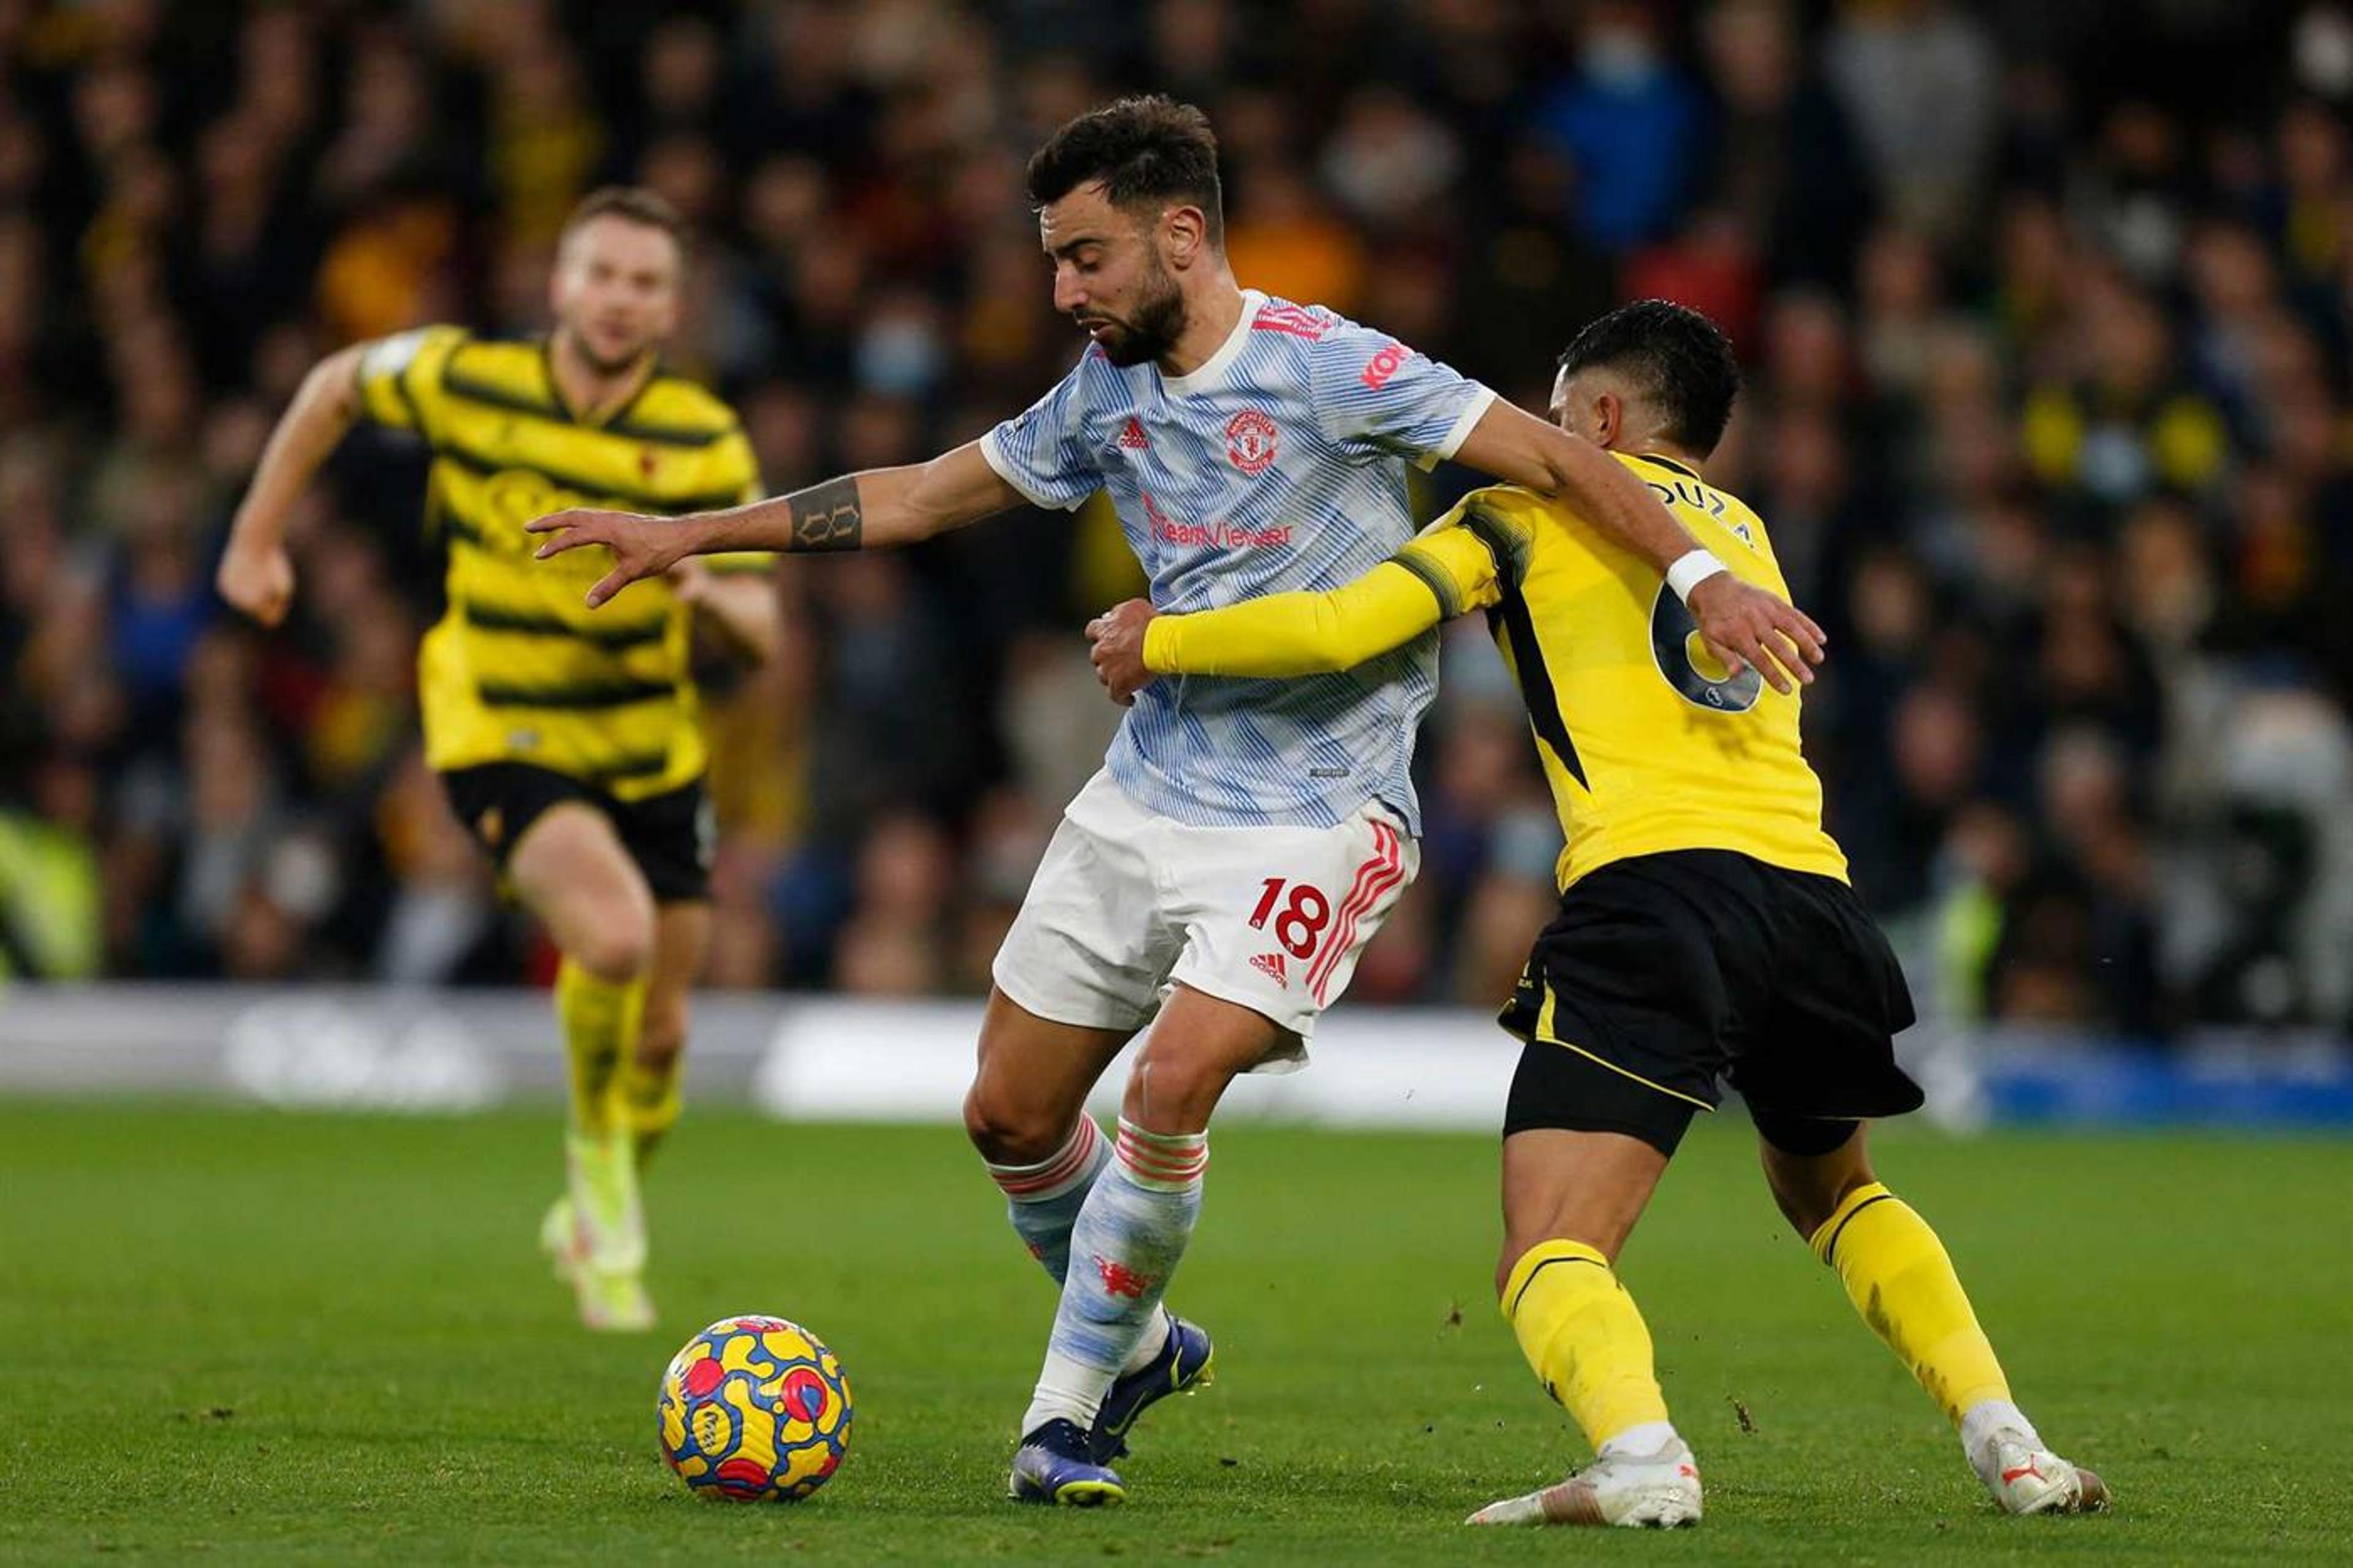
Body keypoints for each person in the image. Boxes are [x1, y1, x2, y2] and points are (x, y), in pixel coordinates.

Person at [527, 100, 1824, 1505]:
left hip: (1321, 809)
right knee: (1009, 1116)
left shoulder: (1339, 366)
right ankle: (1136, 1338)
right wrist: (693, 532)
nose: (1064, 290)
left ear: (1182, 233)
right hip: (1150, 788)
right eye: (1055, 260)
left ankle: (1065, 1414)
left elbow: (1564, 457)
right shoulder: (1102, 396)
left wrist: (1706, 577)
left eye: (1086, 258)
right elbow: (914, 492)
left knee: (1169, 1078)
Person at [1086, 299, 2107, 1528]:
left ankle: (1640, 1454)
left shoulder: (1520, 508)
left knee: (1549, 1242)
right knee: (1838, 1192)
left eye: (1557, 411)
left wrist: (1172, 637)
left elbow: (1349, 622)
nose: (1539, 430)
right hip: (1813, 897)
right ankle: (2011, 1443)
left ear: (1603, 415)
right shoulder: (1747, 537)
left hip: (1658, 893)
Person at [216, 187, 779, 1333]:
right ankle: (592, 1168)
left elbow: (763, 633)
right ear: (561, 285)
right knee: (612, 936)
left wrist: (701, 582)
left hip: (649, 742)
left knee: (665, 1037)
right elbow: (334, 387)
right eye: (602, 275)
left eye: (645, 282)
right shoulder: (468, 378)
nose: (620, 300)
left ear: (672, 307)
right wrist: (255, 536)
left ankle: (596, 1201)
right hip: (498, 718)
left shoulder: (704, 441)